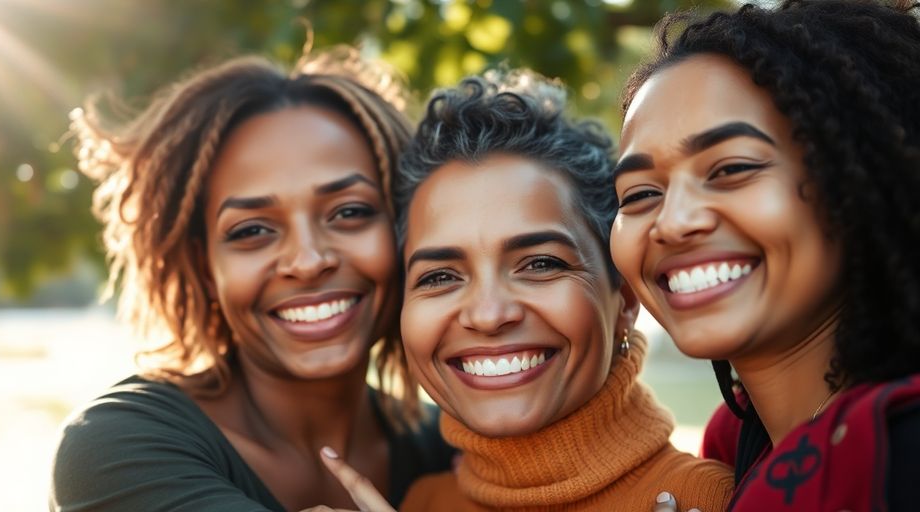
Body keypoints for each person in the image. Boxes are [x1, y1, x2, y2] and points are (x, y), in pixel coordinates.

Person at [49, 47, 455, 512]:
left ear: (407, 231)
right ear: (205, 267)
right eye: (252, 231)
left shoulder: (451, 448)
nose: (308, 261)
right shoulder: (118, 451)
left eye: (350, 212)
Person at [313, 70, 733, 511]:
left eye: (540, 264)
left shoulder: (712, 500)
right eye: (439, 277)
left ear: (625, 301)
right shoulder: (422, 501)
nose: (489, 315)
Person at [610, 1, 920, 509]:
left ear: (862, 178)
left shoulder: (901, 451)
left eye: (730, 169)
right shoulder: (733, 454)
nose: (672, 222)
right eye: (640, 194)